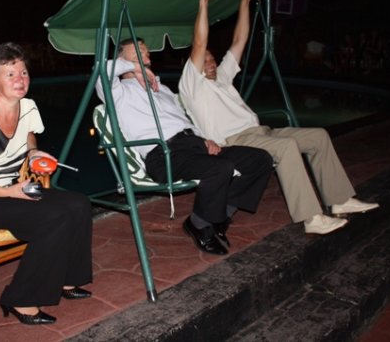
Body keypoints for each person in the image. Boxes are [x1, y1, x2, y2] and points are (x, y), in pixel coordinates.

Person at [178, 0, 379, 235]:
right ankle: (312, 218)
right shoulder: (192, 87)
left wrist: (245, 0)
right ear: (192, 66)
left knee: (318, 136)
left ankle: (339, 200)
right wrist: (204, 3)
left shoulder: (223, 78)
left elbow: (239, 41)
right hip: (235, 141)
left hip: (262, 132)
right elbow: (199, 43)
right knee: (286, 148)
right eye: (204, 60)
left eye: (212, 59)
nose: (210, 63)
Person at [0, 42, 93, 325]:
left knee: (78, 204)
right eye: (10, 74)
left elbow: (29, 136)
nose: (20, 79)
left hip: (10, 188)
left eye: (23, 72)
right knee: (52, 217)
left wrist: (33, 153)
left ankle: (67, 279)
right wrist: (5, 191)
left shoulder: (28, 107)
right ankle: (21, 299)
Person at [95, 38, 273, 256]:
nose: (145, 55)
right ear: (122, 60)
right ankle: (199, 224)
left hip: (194, 146)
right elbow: (102, 70)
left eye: (146, 52)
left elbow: (183, 122)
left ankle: (220, 216)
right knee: (221, 168)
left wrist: (204, 139)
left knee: (260, 159)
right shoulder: (118, 92)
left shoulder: (162, 89)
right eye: (137, 53)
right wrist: (136, 68)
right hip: (164, 155)